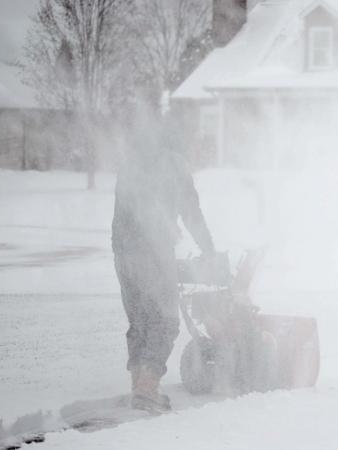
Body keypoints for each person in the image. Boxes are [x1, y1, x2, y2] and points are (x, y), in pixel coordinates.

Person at [112, 108, 215, 413]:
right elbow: (191, 213)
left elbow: (127, 215)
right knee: (165, 321)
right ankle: (147, 389)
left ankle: (138, 385)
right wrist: (208, 249)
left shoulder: (129, 166)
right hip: (153, 253)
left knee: (140, 320)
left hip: (122, 254)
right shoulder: (175, 165)